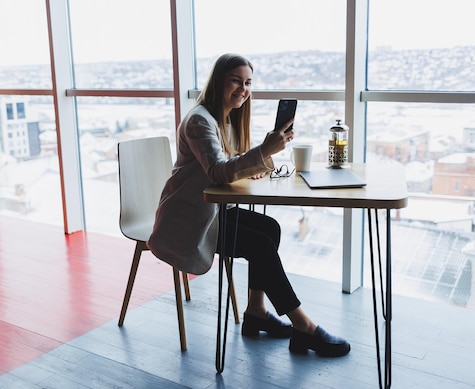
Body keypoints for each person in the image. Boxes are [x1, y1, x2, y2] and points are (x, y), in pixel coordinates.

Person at [147, 53, 350, 357]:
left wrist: (257, 160)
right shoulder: (200, 121)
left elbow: (225, 167)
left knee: (270, 228)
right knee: (260, 244)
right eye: (236, 81)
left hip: (211, 211)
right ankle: (303, 326)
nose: (243, 88)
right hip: (188, 221)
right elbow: (217, 171)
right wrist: (263, 151)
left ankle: (256, 311)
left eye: (248, 83)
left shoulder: (225, 119)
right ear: (218, 82)